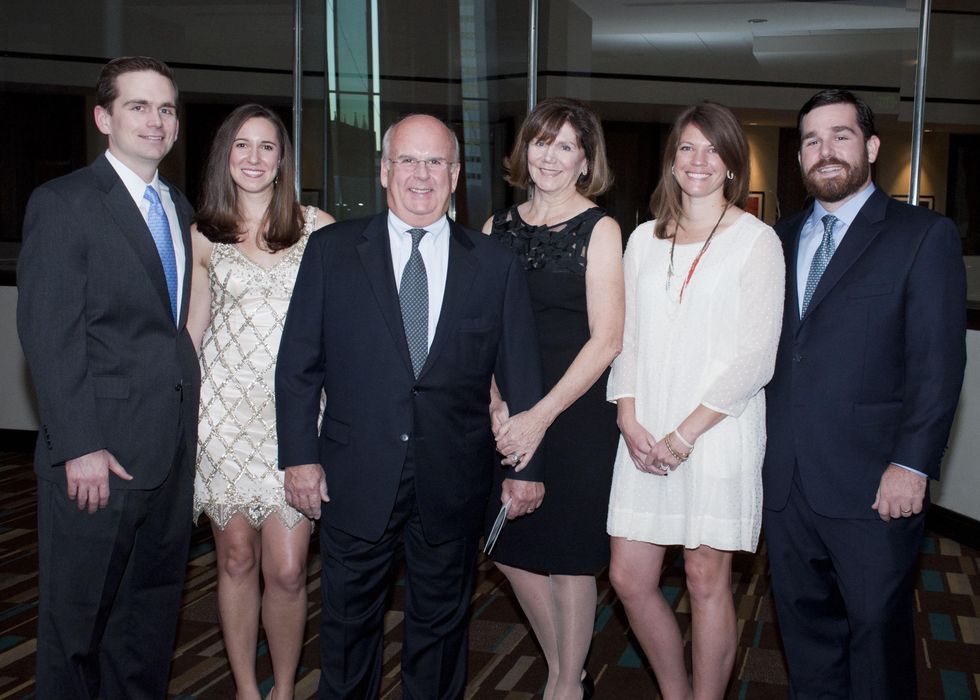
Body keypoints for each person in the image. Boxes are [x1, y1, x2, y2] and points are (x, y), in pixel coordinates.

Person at [274, 114, 545, 699]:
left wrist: (525, 470)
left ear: (453, 176)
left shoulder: (494, 263)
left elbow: (520, 373)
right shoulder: (332, 251)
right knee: (347, 627)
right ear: (383, 171)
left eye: (435, 163)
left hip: (454, 473)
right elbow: (298, 366)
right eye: (407, 160)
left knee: (442, 627)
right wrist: (299, 457)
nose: (420, 175)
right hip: (353, 471)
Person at [763, 89, 966, 700]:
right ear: (799, 157)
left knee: (877, 634)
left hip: (876, 482)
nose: (825, 151)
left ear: (872, 147)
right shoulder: (775, 239)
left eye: (841, 136)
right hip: (785, 480)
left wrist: (911, 465)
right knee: (805, 636)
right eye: (811, 140)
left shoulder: (923, 236)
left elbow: (938, 365)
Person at [16, 56, 199, 698]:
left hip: (167, 457)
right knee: (77, 632)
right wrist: (79, 445)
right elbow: (49, 335)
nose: (156, 120)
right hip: (97, 461)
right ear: (103, 118)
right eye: (138, 106)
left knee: (145, 628)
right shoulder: (64, 203)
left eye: (167, 108)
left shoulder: (176, 205)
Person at [606, 102, 784, 700]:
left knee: (708, 580)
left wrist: (685, 434)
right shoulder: (641, 240)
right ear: (672, 160)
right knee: (629, 577)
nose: (699, 160)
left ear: (733, 163)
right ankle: (675, 692)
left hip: (715, 431)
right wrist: (628, 417)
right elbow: (625, 338)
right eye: (687, 147)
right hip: (644, 431)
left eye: (713, 149)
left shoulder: (757, 242)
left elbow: (756, 359)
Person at [186, 104, 333, 700]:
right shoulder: (204, 233)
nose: (253, 158)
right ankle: (249, 689)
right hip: (220, 419)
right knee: (237, 562)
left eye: (266, 147)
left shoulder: (317, 227)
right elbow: (193, 334)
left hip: (294, 421)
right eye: (241, 146)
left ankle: (284, 689)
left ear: (283, 158)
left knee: (290, 569)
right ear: (226, 155)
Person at [483, 97, 623, 700]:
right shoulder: (495, 228)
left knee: (568, 557)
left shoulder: (601, 229)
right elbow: (479, 331)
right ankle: (571, 665)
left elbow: (608, 339)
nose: (550, 155)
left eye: (565, 145)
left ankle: (564, 685)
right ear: (524, 151)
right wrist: (496, 404)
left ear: (585, 160)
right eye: (542, 142)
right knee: (506, 549)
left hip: (575, 412)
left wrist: (541, 415)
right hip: (507, 415)